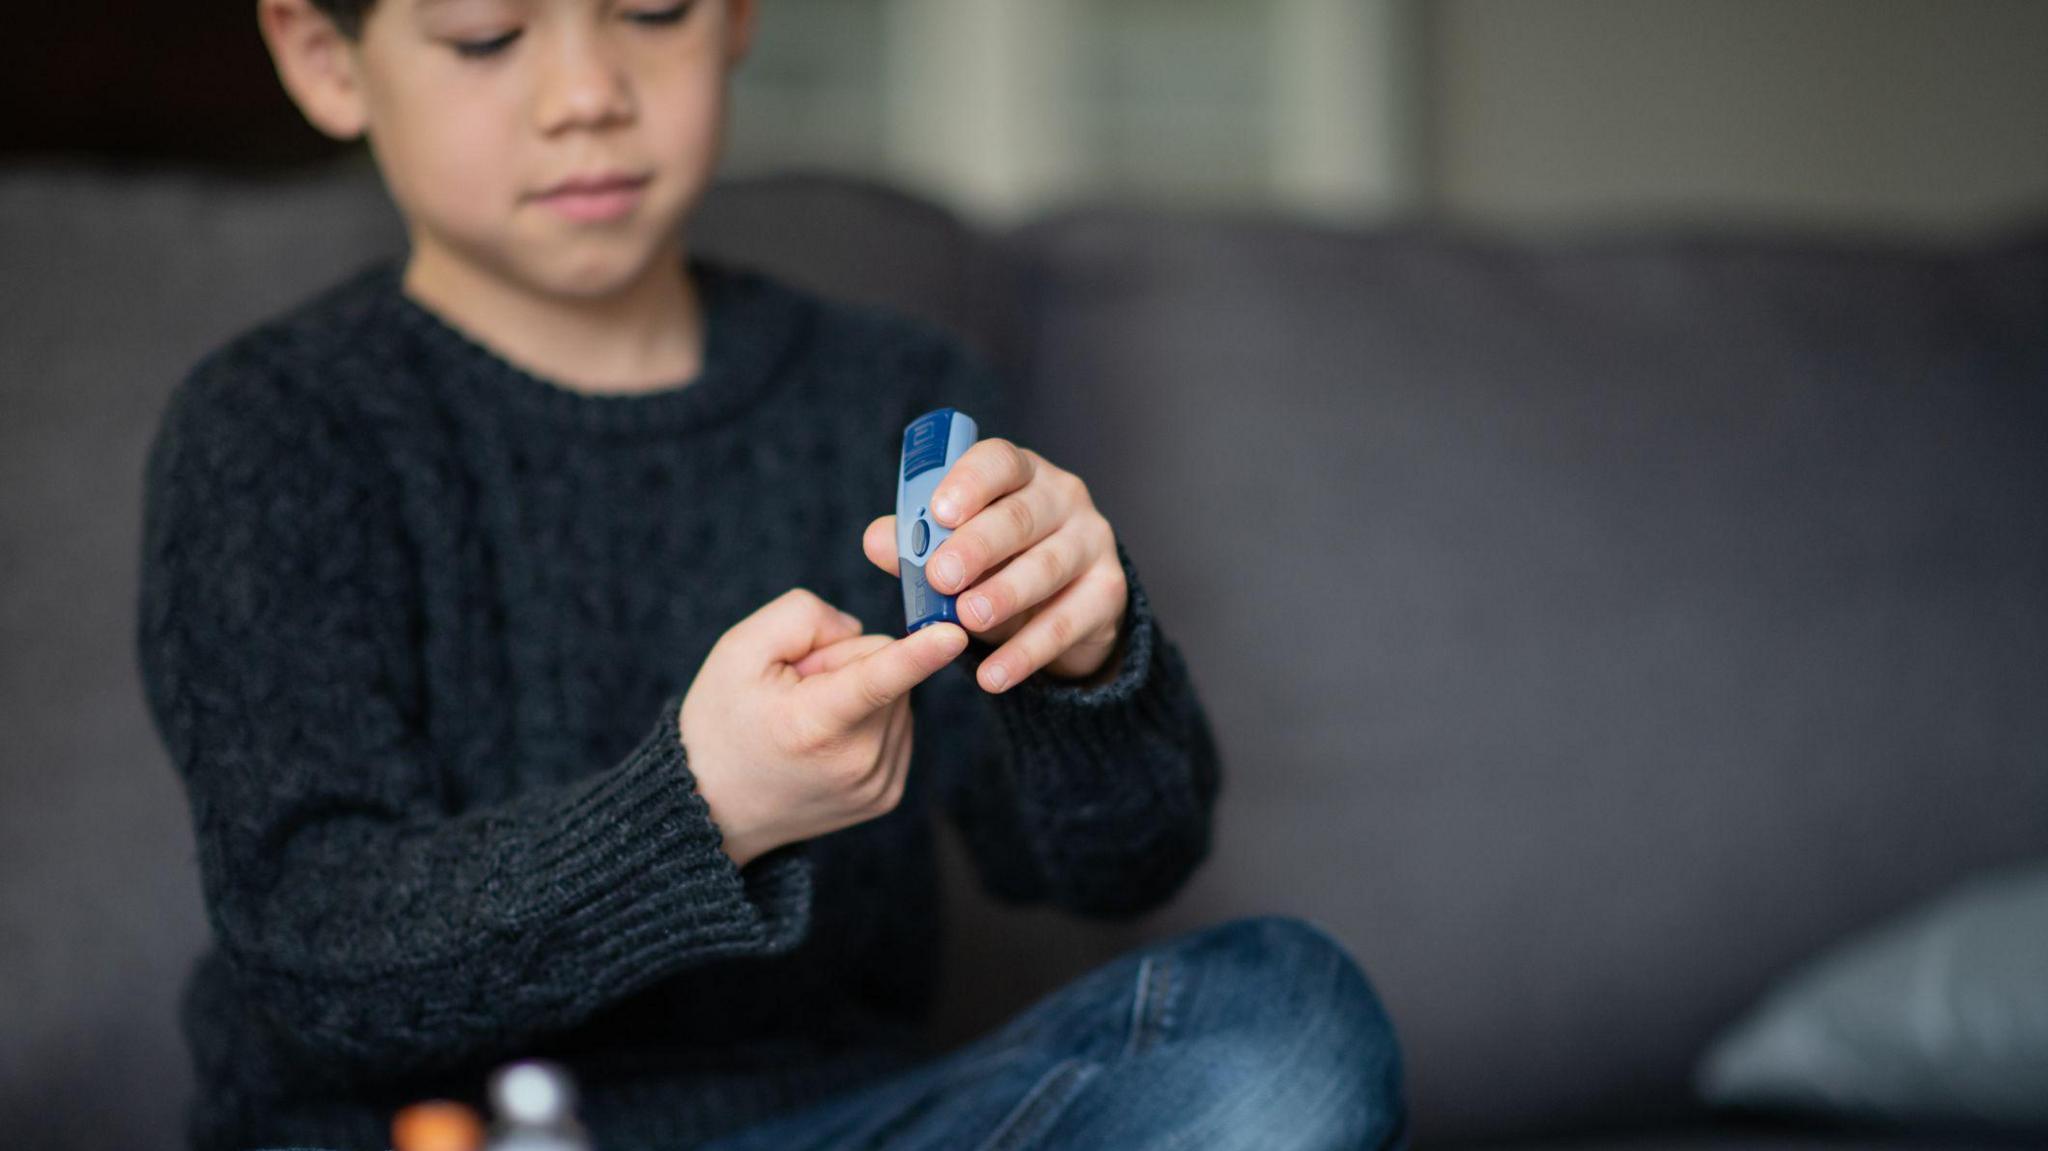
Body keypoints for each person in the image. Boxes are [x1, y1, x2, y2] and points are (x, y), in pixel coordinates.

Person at [133, 0, 1407, 1147]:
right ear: (324, 56)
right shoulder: (274, 428)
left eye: (651, 11)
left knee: (1287, 1028)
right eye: (485, 35)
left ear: (737, 16)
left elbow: (1112, 866)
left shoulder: (893, 390)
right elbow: (313, 938)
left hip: (842, 1120)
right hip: (435, 1131)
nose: (585, 91)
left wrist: (1083, 661)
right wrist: (701, 808)